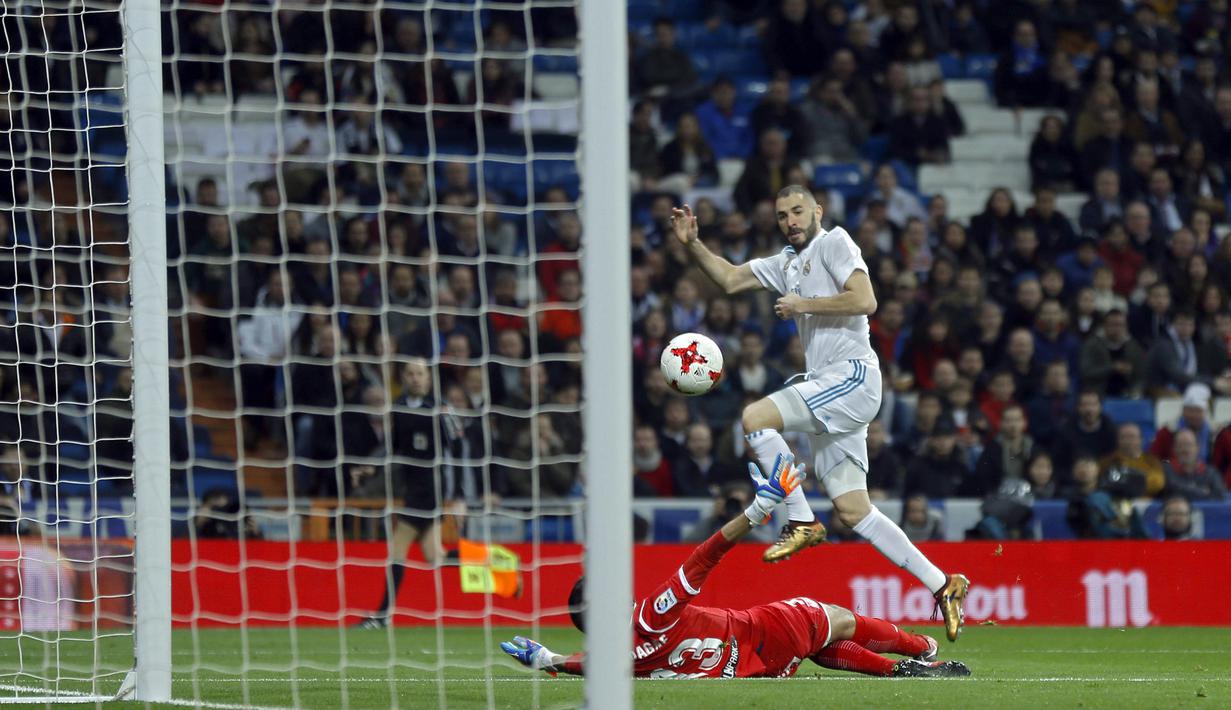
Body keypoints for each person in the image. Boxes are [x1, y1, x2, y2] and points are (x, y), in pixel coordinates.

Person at [669, 187, 970, 642]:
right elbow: (730, 279)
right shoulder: (785, 264)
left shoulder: (836, 243)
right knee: (854, 510)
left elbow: (865, 300)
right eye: (781, 214)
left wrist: (802, 304)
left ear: (817, 212)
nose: (790, 220)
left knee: (754, 419)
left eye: (797, 211)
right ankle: (943, 584)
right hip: (832, 388)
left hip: (852, 376)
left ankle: (802, 518)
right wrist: (692, 244)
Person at [501, 456, 970, 679]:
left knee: (815, 644)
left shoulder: (618, 661)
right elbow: (703, 556)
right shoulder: (649, 615)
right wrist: (757, 511)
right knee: (836, 618)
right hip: (759, 629)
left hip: (755, 670)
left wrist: (548, 659)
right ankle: (921, 648)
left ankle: (901, 671)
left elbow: (588, 666)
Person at [356, 358, 462, 628]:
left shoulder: (440, 409)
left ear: (428, 379)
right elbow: (393, 446)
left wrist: (459, 495)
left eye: (420, 374)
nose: (415, 378)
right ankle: (489, 560)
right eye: (411, 373)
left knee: (397, 548)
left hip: (429, 489)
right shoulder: (399, 408)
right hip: (412, 487)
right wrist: (372, 467)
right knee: (434, 556)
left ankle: (382, 615)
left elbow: (458, 450)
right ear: (404, 377)